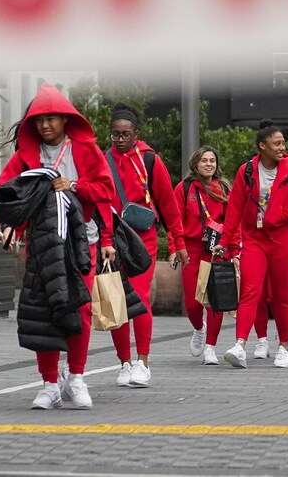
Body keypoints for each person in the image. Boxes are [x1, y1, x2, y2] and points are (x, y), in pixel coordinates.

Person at [0, 83, 117, 410]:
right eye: (39, 119)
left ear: (65, 119)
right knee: (42, 313)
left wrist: (73, 185)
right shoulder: (25, 157)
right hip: (41, 246)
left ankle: (76, 378)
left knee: (80, 310)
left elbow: (105, 190)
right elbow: (5, 194)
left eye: (52, 118)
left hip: (81, 244)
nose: (45, 125)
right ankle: (48, 382)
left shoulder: (85, 150)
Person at [219, 120, 288, 370]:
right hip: (254, 240)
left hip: (283, 241)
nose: (282, 148)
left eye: (283, 143)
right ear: (262, 146)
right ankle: (239, 346)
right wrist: (226, 242)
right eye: (277, 143)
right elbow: (235, 208)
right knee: (250, 291)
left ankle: (284, 346)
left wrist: (278, 216)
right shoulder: (246, 171)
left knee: (282, 296)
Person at [105, 104, 185, 387]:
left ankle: (143, 361)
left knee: (137, 300)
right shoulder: (103, 160)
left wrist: (178, 241)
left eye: (126, 134)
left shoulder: (150, 159)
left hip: (143, 240)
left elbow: (168, 204)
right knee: (116, 302)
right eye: (115, 135)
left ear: (136, 134)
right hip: (111, 241)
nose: (121, 139)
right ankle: (124, 363)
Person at [174, 147, 229, 366]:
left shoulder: (224, 187)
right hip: (192, 250)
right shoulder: (184, 188)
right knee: (192, 303)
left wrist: (229, 245)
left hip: (217, 250)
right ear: (195, 164)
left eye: (212, 160)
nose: (209, 164)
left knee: (215, 300)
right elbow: (175, 220)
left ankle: (211, 347)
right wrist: (176, 247)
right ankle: (199, 329)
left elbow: (234, 218)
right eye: (204, 160)